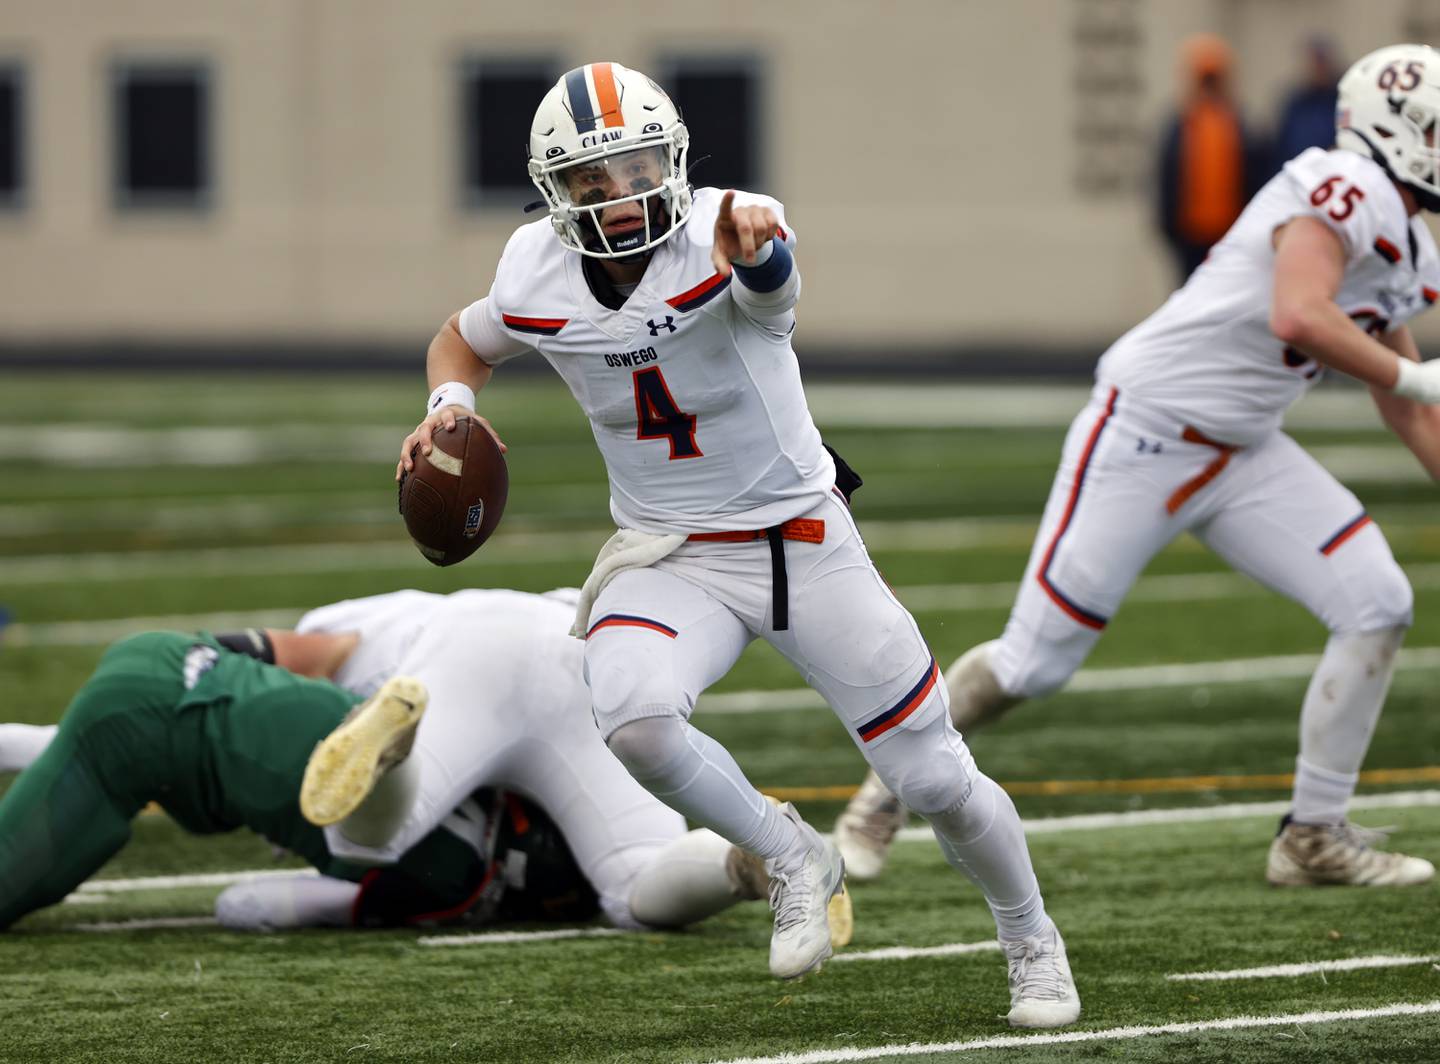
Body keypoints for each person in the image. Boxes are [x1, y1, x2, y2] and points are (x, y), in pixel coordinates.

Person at [385, 62, 1079, 1028]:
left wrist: (760, 256)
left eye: (633, 167)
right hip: (673, 553)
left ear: (669, 160)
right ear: (559, 194)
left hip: (800, 539)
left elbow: (773, 296)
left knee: (934, 779)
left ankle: (1032, 939)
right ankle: (793, 855)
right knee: (631, 713)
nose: (618, 195)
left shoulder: (729, 228)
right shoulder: (534, 272)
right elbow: (462, 340)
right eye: (592, 179)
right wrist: (447, 407)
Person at [836, 44, 1440, 890]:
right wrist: (1412, 372)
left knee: (1380, 602)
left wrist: (1411, 383)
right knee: (1033, 663)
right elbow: (1300, 313)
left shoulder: (1408, 239)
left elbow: (1407, 403)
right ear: (1395, 130)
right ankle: (879, 798)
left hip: (1244, 447)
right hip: (1147, 432)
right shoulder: (1340, 183)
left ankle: (1312, 834)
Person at [0, 589, 776, 934]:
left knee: (371, 831)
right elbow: (255, 902)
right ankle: (746, 859)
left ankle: (396, 746)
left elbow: (306, 651)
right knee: (636, 881)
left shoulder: (390, 620)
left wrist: (214, 653)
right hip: (591, 659)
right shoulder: (469, 872)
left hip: (464, 648)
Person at [1157, 34, 1268, 283]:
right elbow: (1166, 177)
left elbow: (1256, 174)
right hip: (1190, 234)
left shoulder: (1238, 124)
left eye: (1213, 79)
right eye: (1205, 79)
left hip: (1230, 232)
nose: (1209, 86)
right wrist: (1169, 228)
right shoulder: (1181, 124)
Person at [1275, 36, 1342, 164]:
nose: (1317, 68)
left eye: (1321, 62)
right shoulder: (1296, 103)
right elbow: (1282, 146)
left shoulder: (1340, 101)